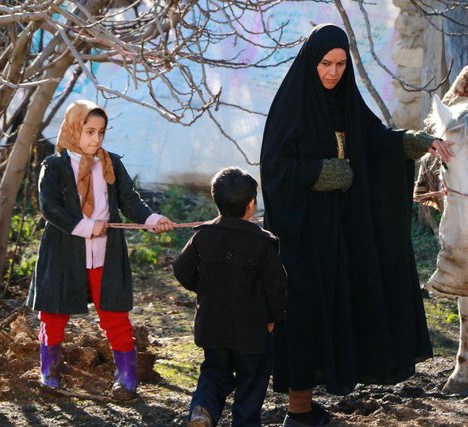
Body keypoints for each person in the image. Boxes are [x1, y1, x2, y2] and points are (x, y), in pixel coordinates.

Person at [260, 24, 453, 426]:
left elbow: (377, 141)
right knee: (307, 313)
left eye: (340, 64)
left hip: (344, 235)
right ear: (311, 62)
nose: (332, 72)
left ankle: (315, 403)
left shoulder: (347, 101)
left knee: (344, 306)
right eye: (325, 64)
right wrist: (326, 172)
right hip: (305, 237)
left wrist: (417, 142)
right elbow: (276, 168)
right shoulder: (291, 106)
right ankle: (297, 411)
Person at [27, 100, 175, 400]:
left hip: (106, 253)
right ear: (72, 128)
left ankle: (126, 378)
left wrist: (152, 219)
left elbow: (129, 200)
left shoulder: (110, 163)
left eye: (101, 132)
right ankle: (50, 371)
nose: (96, 139)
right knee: (54, 315)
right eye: (89, 131)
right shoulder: (54, 166)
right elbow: (50, 207)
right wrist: (85, 225)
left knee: (115, 314)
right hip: (64, 253)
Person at [172, 167, 287, 427]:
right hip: (252, 330)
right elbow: (276, 286)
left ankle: (203, 409)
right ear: (251, 206)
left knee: (214, 371)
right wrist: (273, 318)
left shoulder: (203, 235)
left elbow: (181, 270)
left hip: (212, 325)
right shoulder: (263, 243)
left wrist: (206, 289)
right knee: (251, 381)